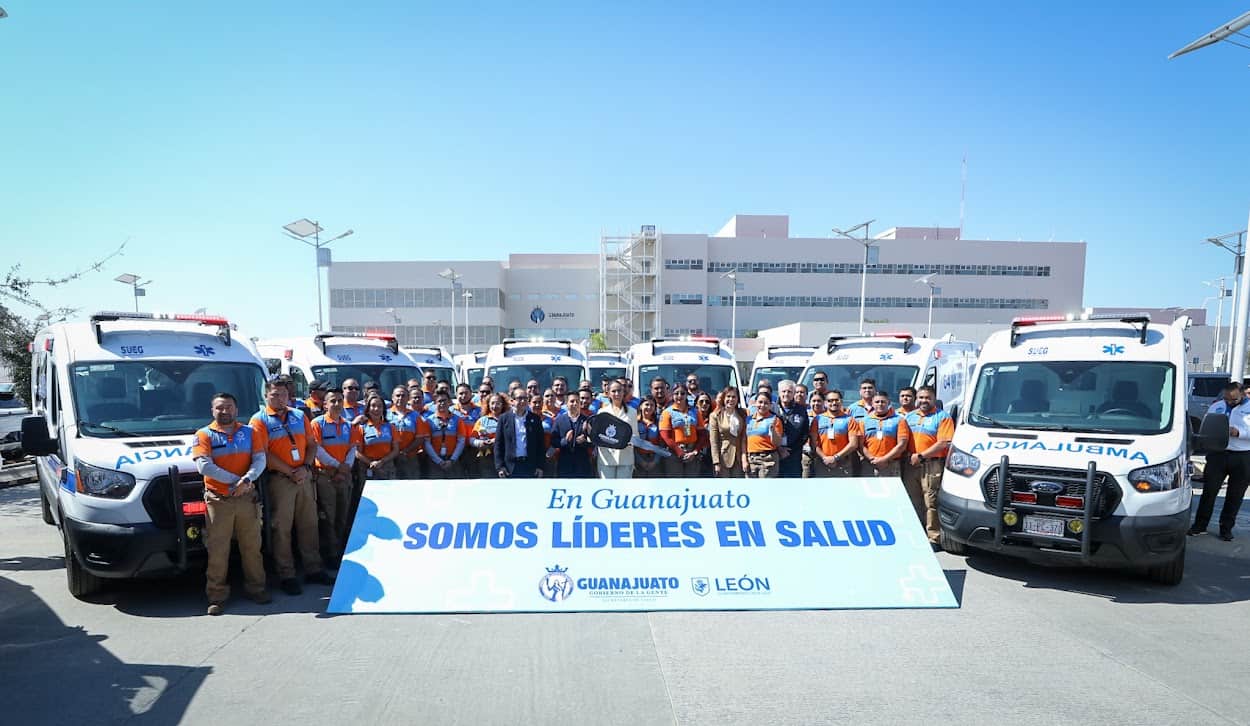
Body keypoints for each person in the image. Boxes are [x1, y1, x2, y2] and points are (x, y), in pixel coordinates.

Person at [250, 378, 333, 596]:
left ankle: (314, 568)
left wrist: (305, 467)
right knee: (282, 528)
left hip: (304, 476)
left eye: (283, 394)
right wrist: (290, 471)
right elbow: (263, 454)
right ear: (266, 396)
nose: (279, 398)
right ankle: (286, 574)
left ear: (289, 395)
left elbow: (312, 444)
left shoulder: (299, 415)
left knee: (309, 524)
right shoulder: (259, 420)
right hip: (280, 480)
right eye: (275, 395)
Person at [192, 392, 268, 615]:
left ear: (236, 409)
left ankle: (257, 589)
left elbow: (260, 459)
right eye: (219, 408)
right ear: (212, 411)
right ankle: (217, 596)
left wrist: (247, 480)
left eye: (229, 407)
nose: (224, 411)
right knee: (218, 550)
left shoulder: (250, 432)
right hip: (219, 500)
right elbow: (204, 466)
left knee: (252, 547)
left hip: (246, 499)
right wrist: (236, 481)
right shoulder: (203, 434)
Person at [1190, 381, 1250, 541]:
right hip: (1218, 454)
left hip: (1242, 456)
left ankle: (1226, 529)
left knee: (1235, 495)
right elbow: (1207, 425)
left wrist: (1240, 432)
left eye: (1234, 400)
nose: (1229, 402)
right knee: (1209, 492)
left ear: (1243, 394)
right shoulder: (1217, 406)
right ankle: (1200, 525)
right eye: (1227, 399)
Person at [309, 389, 361, 564]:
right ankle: (331, 553)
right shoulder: (317, 424)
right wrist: (339, 467)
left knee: (343, 514)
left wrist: (345, 468)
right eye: (333, 401)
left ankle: (342, 550)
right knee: (328, 515)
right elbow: (317, 450)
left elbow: (352, 448)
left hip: (344, 476)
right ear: (325, 404)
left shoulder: (348, 425)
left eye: (340, 400)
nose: (337, 404)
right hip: (326, 476)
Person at [906, 386, 955, 546]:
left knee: (931, 502)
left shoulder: (942, 417)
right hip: (911, 464)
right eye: (920, 397)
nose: (923, 401)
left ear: (934, 399)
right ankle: (917, 533)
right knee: (913, 500)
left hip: (931, 464)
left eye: (927, 398)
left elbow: (943, 443)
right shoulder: (910, 416)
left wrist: (921, 456)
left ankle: (934, 537)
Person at [808, 390, 862, 478]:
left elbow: (853, 444)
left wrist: (835, 458)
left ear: (841, 401)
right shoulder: (817, 419)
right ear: (825, 403)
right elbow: (813, 443)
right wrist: (825, 458)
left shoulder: (850, 420)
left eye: (836, 400)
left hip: (843, 463)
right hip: (822, 463)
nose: (834, 403)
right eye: (830, 400)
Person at [494, 389, 546, 478]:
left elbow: (540, 445)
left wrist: (540, 466)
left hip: (530, 466)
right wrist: (500, 467)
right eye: (519, 398)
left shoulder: (535, 419)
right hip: (510, 467)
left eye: (525, 398)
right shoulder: (504, 419)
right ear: (512, 401)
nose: (523, 401)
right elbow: (498, 444)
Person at [660, 387, 707, 477]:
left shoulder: (695, 412)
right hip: (674, 452)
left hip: (692, 452)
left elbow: (702, 434)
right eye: (676, 393)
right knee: (676, 483)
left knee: (692, 483)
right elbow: (665, 436)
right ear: (672, 395)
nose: (679, 396)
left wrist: (695, 451)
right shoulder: (667, 412)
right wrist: (680, 452)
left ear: (687, 395)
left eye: (682, 393)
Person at [861, 391, 910, 477]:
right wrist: (872, 459)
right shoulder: (864, 421)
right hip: (869, 464)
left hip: (891, 464)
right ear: (872, 403)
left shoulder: (899, 420)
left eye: (883, 402)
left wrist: (884, 459)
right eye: (877, 402)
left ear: (889, 403)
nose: (880, 404)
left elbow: (902, 444)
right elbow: (860, 445)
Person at [597, 379, 639, 478]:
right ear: (608, 394)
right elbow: (598, 435)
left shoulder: (632, 412)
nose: (617, 394)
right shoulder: (602, 412)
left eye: (619, 391)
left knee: (623, 490)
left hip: (625, 458)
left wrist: (629, 441)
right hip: (606, 458)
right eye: (613, 391)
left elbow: (635, 435)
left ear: (623, 392)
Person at [424, 391, 466, 479]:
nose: (442, 403)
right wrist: (438, 461)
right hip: (435, 461)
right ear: (435, 403)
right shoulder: (428, 421)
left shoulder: (458, 420)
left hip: (453, 460)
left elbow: (461, 442)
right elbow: (427, 443)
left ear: (450, 402)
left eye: (444, 400)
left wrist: (452, 460)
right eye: (439, 401)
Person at [708, 386, 748, 478]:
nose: (731, 399)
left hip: (739, 458)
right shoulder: (715, 415)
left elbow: (743, 438)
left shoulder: (743, 414)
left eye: (734, 397)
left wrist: (744, 458)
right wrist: (716, 462)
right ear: (723, 398)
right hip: (723, 457)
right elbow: (714, 441)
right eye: (728, 396)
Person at [359, 395, 399, 480]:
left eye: (379, 406)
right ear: (368, 409)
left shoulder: (391, 427)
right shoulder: (361, 428)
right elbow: (357, 452)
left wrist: (382, 462)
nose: (376, 409)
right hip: (368, 467)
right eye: (373, 406)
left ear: (383, 409)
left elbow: (395, 450)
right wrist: (371, 463)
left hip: (387, 466)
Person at [554, 393, 594, 477]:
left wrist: (585, 441)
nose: (575, 404)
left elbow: (593, 442)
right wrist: (565, 441)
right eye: (572, 401)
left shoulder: (587, 421)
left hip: (583, 465)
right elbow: (554, 441)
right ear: (566, 404)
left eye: (577, 401)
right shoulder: (559, 420)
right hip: (564, 465)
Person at [745, 392, 784, 478]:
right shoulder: (748, 419)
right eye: (760, 402)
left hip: (767, 459)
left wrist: (773, 430)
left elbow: (777, 443)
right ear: (755, 403)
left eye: (766, 403)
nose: (762, 405)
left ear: (770, 405)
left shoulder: (775, 420)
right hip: (750, 459)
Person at [388, 386, 423, 479]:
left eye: (403, 396)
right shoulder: (385, 415)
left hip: (410, 457)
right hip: (389, 458)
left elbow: (420, 438)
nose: (400, 398)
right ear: (392, 397)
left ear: (408, 398)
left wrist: (405, 452)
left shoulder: (415, 415)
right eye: (397, 395)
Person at [776, 380, 809, 478]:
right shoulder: (772, 408)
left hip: (794, 455)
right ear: (779, 393)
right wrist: (780, 449)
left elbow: (805, 433)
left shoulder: (801, 410)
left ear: (794, 393)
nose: (786, 394)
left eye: (789, 392)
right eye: (783, 391)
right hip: (775, 454)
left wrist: (791, 450)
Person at [471, 393, 507, 477]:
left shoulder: (508, 419)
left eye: (498, 403)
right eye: (492, 403)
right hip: (486, 458)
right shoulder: (482, 420)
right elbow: (472, 439)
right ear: (488, 405)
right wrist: (480, 443)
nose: (495, 406)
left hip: (504, 457)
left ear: (503, 405)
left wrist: (496, 441)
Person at [634, 398, 663, 477]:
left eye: (652, 405)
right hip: (639, 460)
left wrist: (655, 461)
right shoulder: (635, 422)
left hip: (655, 458)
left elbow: (661, 444)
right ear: (640, 406)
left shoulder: (659, 422)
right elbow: (633, 446)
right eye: (646, 404)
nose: (649, 407)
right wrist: (641, 461)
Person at [694, 392, 716, 474]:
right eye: (701, 401)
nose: (704, 404)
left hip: (710, 454)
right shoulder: (692, 418)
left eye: (707, 402)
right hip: (695, 453)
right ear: (696, 404)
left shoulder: (714, 418)